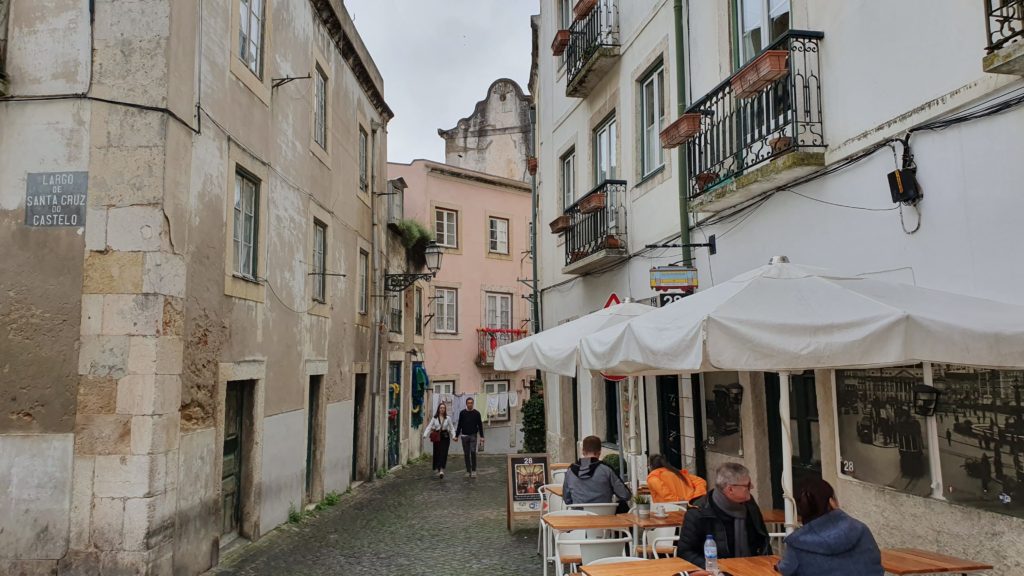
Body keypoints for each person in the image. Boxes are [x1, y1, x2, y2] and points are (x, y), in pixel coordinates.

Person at [775, 478, 883, 576]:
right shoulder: (860, 529)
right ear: (832, 502)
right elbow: (875, 566)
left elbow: (785, 569)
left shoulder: (797, 543)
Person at [676, 463, 772, 569]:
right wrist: (712, 567)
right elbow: (685, 552)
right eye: (747, 485)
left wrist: (767, 566)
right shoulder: (699, 512)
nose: (752, 487)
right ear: (730, 489)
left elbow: (763, 540)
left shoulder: (749, 505)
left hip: (751, 569)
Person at [563, 435, 632, 510]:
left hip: (580, 517)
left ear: (583, 451)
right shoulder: (606, 470)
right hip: (605, 517)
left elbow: (567, 500)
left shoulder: (570, 471)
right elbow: (625, 495)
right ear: (599, 453)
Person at [422, 403, 456, 479]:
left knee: (444, 453)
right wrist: (425, 434)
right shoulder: (435, 418)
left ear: (445, 409)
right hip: (437, 437)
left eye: (443, 408)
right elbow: (429, 426)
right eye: (441, 408)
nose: (442, 409)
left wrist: (454, 436)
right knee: (437, 452)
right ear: (438, 409)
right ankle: (438, 468)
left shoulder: (448, 418)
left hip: (445, 437)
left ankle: (441, 469)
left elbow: (452, 428)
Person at [455, 397, 484, 478]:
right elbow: (459, 425)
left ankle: (474, 470)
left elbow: (480, 425)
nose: (470, 404)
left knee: (473, 451)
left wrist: (482, 436)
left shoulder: (477, 413)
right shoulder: (462, 413)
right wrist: (456, 436)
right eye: (468, 403)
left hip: (473, 435)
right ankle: (468, 470)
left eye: (471, 403)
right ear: (466, 404)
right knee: (466, 454)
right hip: (464, 436)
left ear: (473, 404)